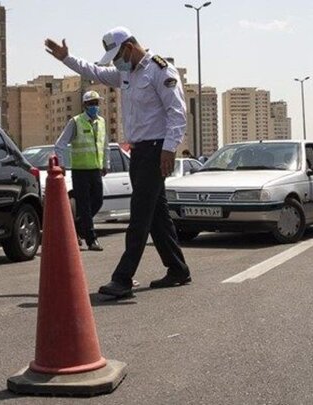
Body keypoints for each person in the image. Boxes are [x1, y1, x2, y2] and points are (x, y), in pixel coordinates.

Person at [46, 26, 191, 298]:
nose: (115, 63)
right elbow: (94, 71)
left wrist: (169, 149)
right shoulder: (126, 73)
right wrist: (66, 58)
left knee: (140, 215)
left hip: (156, 150)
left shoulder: (160, 70)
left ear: (129, 48)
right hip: (138, 152)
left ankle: (123, 278)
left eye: (117, 57)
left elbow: (177, 113)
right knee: (157, 215)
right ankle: (178, 269)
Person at [54, 90, 110, 252]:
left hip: (95, 170)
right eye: (91, 104)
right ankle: (92, 240)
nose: (95, 107)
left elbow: (105, 145)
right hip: (80, 171)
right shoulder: (76, 122)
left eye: (97, 103)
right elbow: (60, 144)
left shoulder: (101, 121)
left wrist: (105, 164)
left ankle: (77, 227)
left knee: (98, 201)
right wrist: (62, 164)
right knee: (84, 205)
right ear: (85, 105)